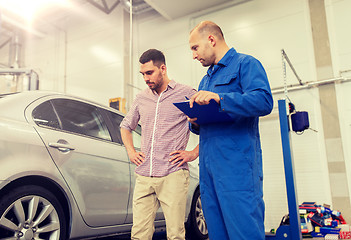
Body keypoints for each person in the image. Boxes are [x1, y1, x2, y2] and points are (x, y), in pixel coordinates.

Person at [187, 21, 273, 240]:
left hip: (237, 170)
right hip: (209, 171)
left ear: (212, 40)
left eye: (195, 48)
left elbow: (264, 101)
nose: (194, 56)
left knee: (244, 233)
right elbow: (206, 123)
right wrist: (195, 121)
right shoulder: (205, 80)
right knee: (217, 234)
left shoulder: (246, 64)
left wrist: (220, 98)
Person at [120, 49, 198, 240]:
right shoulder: (141, 98)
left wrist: (193, 153)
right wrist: (131, 151)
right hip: (144, 175)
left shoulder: (187, 93)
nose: (146, 78)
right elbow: (125, 126)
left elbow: (210, 126)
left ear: (162, 68)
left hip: (173, 173)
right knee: (139, 234)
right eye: (143, 74)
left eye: (149, 73)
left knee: (175, 234)